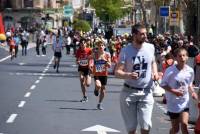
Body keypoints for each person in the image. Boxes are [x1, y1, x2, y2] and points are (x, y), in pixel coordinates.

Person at [114, 23, 159, 134]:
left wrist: (155, 73)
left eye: (146, 34)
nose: (145, 36)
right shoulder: (126, 51)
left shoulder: (150, 47)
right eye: (142, 34)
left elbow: (153, 62)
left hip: (146, 92)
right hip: (129, 92)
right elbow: (117, 72)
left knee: (146, 125)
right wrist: (128, 75)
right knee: (131, 128)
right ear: (134, 35)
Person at [160, 47, 198, 134]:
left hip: (185, 102)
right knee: (175, 129)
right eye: (180, 56)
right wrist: (174, 91)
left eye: (184, 56)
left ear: (187, 57)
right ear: (176, 58)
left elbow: (189, 84)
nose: (182, 58)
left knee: (184, 125)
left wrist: (192, 92)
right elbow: (163, 84)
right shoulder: (170, 70)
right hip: (173, 103)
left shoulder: (190, 71)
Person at [92, 40, 111, 110]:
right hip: (96, 73)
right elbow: (90, 59)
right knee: (98, 85)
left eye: (102, 45)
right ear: (97, 46)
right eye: (99, 45)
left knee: (103, 90)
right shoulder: (95, 54)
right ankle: (96, 89)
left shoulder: (107, 54)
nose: (101, 46)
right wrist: (90, 66)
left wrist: (105, 61)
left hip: (104, 74)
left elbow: (109, 65)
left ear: (104, 47)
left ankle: (99, 103)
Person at [75, 38, 92, 102]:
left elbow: (92, 58)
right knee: (81, 80)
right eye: (81, 44)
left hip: (87, 68)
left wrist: (91, 65)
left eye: (84, 43)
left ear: (86, 44)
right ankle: (85, 96)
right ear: (80, 45)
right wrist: (77, 62)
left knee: (88, 84)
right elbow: (76, 60)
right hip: (81, 67)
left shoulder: (89, 50)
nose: (82, 45)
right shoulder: (78, 51)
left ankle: (89, 77)